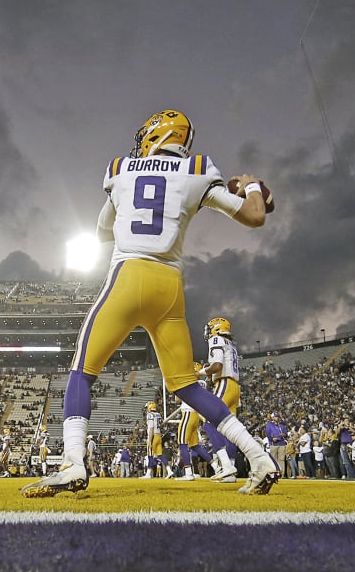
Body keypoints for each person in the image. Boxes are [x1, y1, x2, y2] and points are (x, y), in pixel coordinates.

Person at [22, 109, 279, 497]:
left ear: (156, 133)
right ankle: (258, 457)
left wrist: (121, 204)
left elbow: (102, 230)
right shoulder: (198, 168)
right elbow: (256, 216)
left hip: (129, 276)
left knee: (82, 371)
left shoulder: (121, 168)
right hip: (169, 287)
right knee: (187, 387)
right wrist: (254, 185)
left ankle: (73, 461)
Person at [201, 317, 244, 483]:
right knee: (229, 429)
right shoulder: (231, 344)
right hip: (235, 387)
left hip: (224, 382)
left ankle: (226, 466)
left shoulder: (217, 338)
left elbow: (217, 366)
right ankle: (230, 471)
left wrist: (199, 373)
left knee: (207, 421)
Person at [173, 363, 210, 481]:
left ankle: (188, 472)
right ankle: (216, 466)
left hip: (188, 413)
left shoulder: (188, 382)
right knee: (195, 445)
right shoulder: (202, 383)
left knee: (182, 442)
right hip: (196, 415)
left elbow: (177, 400)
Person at [143, 401, 164, 478]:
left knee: (150, 455)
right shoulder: (158, 415)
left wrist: (149, 438)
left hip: (153, 436)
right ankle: (169, 470)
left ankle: (148, 473)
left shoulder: (150, 415)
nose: (146, 409)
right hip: (159, 435)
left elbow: (151, 428)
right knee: (160, 455)